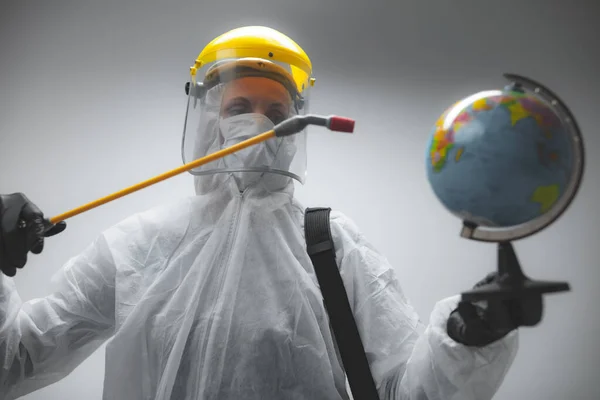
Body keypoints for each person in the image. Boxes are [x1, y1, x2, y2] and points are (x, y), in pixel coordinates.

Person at [0, 26, 527, 400]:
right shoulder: (135, 248)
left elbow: (400, 390)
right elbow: (16, 360)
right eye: (238, 108)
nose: (258, 123)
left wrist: (467, 334)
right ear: (207, 121)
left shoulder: (330, 245)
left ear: (298, 127)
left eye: (276, 112)